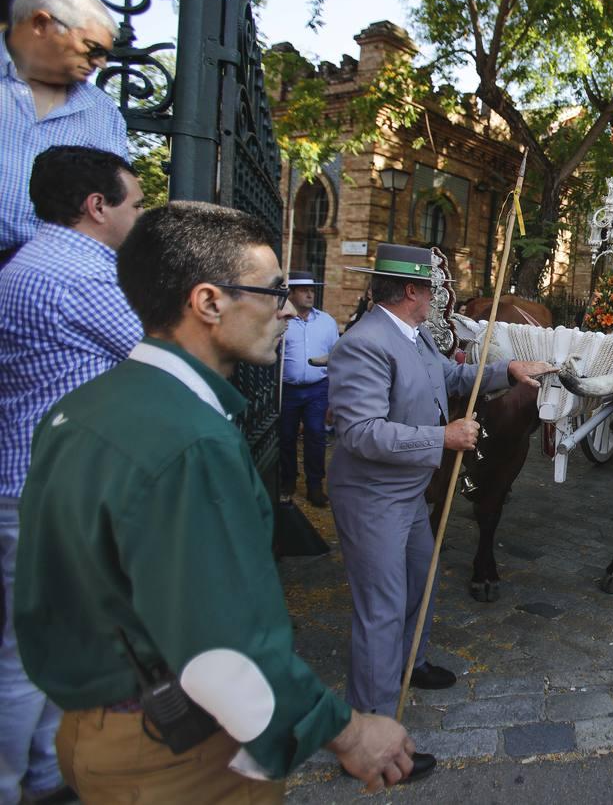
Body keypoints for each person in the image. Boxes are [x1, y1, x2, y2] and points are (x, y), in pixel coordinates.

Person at [13, 202, 418, 799]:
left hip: (92, 729)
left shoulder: (89, 405)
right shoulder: (189, 440)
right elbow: (223, 647)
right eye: (272, 291)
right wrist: (349, 732)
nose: (286, 309)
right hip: (176, 750)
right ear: (208, 302)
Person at [326, 244, 552, 729]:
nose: (438, 296)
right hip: (372, 497)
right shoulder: (365, 344)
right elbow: (358, 431)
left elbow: (450, 377)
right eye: (432, 287)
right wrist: (442, 437)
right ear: (412, 290)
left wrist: (505, 371)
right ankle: (372, 728)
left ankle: (411, 663)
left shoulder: (416, 335)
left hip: (408, 492)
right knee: (380, 610)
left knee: (419, 587)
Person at [0, 146, 144, 805]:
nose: (139, 217)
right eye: (135, 204)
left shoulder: (35, 262)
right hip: (50, 490)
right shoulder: (80, 275)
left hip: (40, 482)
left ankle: (45, 776)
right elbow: (162, 355)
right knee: (30, 660)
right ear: (97, 206)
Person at [2, 0, 127, 266]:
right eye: (92, 47)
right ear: (41, 24)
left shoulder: (102, 113)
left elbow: (115, 202)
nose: (100, 63)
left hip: (50, 275)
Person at [280, 269, 339, 507]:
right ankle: (288, 480)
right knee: (286, 436)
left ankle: (315, 485)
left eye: (312, 290)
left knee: (316, 434)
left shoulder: (326, 321)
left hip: (318, 388)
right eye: (304, 290)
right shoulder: (282, 321)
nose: (310, 294)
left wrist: (334, 395)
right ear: (291, 293)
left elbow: (337, 358)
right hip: (288, 390)